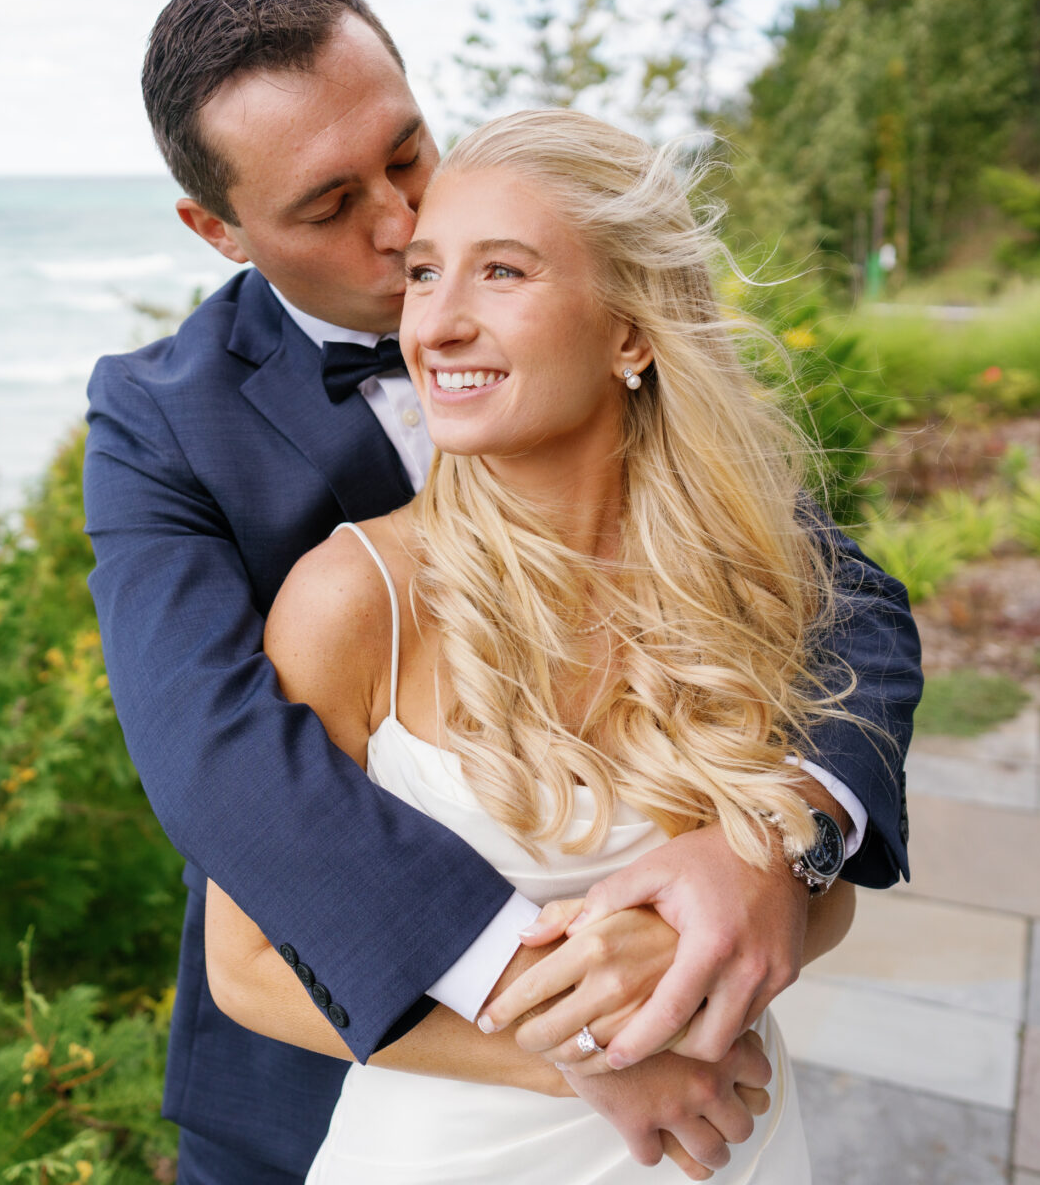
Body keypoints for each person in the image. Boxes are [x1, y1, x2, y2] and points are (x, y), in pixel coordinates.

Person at [83, 0, 920, 1185]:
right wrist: (569, 1024)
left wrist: (775, 850)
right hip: (332, 1072)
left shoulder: (594, 332)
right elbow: (209, 751)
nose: (399, 223)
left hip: (713, 1102)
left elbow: (846, 601)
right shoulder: (163, 422)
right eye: (327, 205)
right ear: (218, 230)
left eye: (406, 152)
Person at [205, 104, 861, 1182]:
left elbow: (822, 899)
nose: (437, 323)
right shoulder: (356, 599)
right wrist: (585, 1054)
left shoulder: (751, 569)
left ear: (631, 330)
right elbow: (249, 965)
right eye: (424, 274)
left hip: (738, 1145)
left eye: (501, 272)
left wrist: (763, 894)